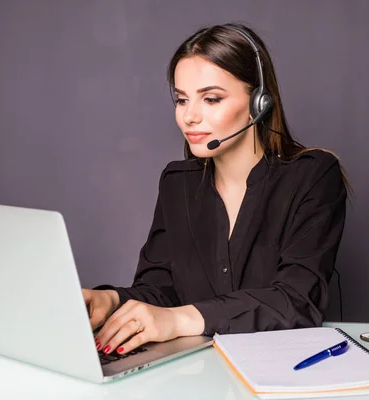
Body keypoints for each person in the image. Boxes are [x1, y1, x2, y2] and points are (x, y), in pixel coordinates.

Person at [83, 23, 348, 357]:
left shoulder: (313, 176)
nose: (189, 116)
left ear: (259, 103)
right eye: (181, 100)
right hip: (197, 371)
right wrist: (112, 300)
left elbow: (296, 300)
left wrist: (179, 320)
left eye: (210, 99)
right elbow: (162, 289)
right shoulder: (177, 182)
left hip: (284, 368)